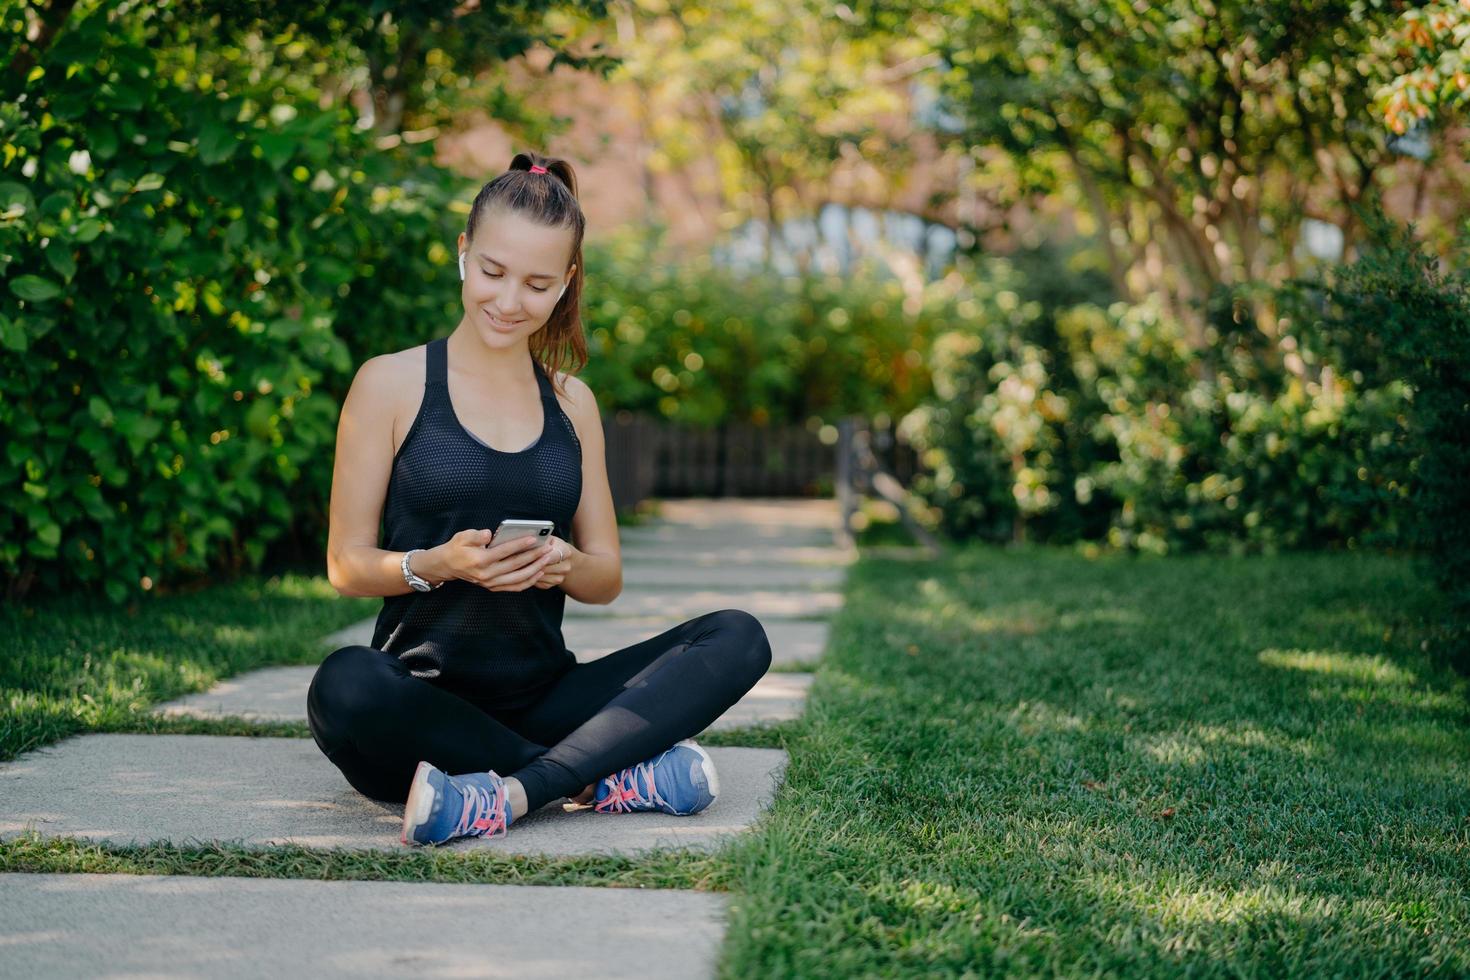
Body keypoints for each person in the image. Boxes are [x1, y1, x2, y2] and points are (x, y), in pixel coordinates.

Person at [307, 152, 772, 847]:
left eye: (536, 283)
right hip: (422, 709)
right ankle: (595, 779)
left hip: (549, 700)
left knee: (738, 635)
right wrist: (440, 563)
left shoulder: (572, 403)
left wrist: (562, 561)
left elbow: (606, 577)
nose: (507, 300)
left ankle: (514, 792)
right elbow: (346, 564)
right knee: (343, 685)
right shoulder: (390, 384)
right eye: (492, 271)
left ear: (566, 284)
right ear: (464, 253)